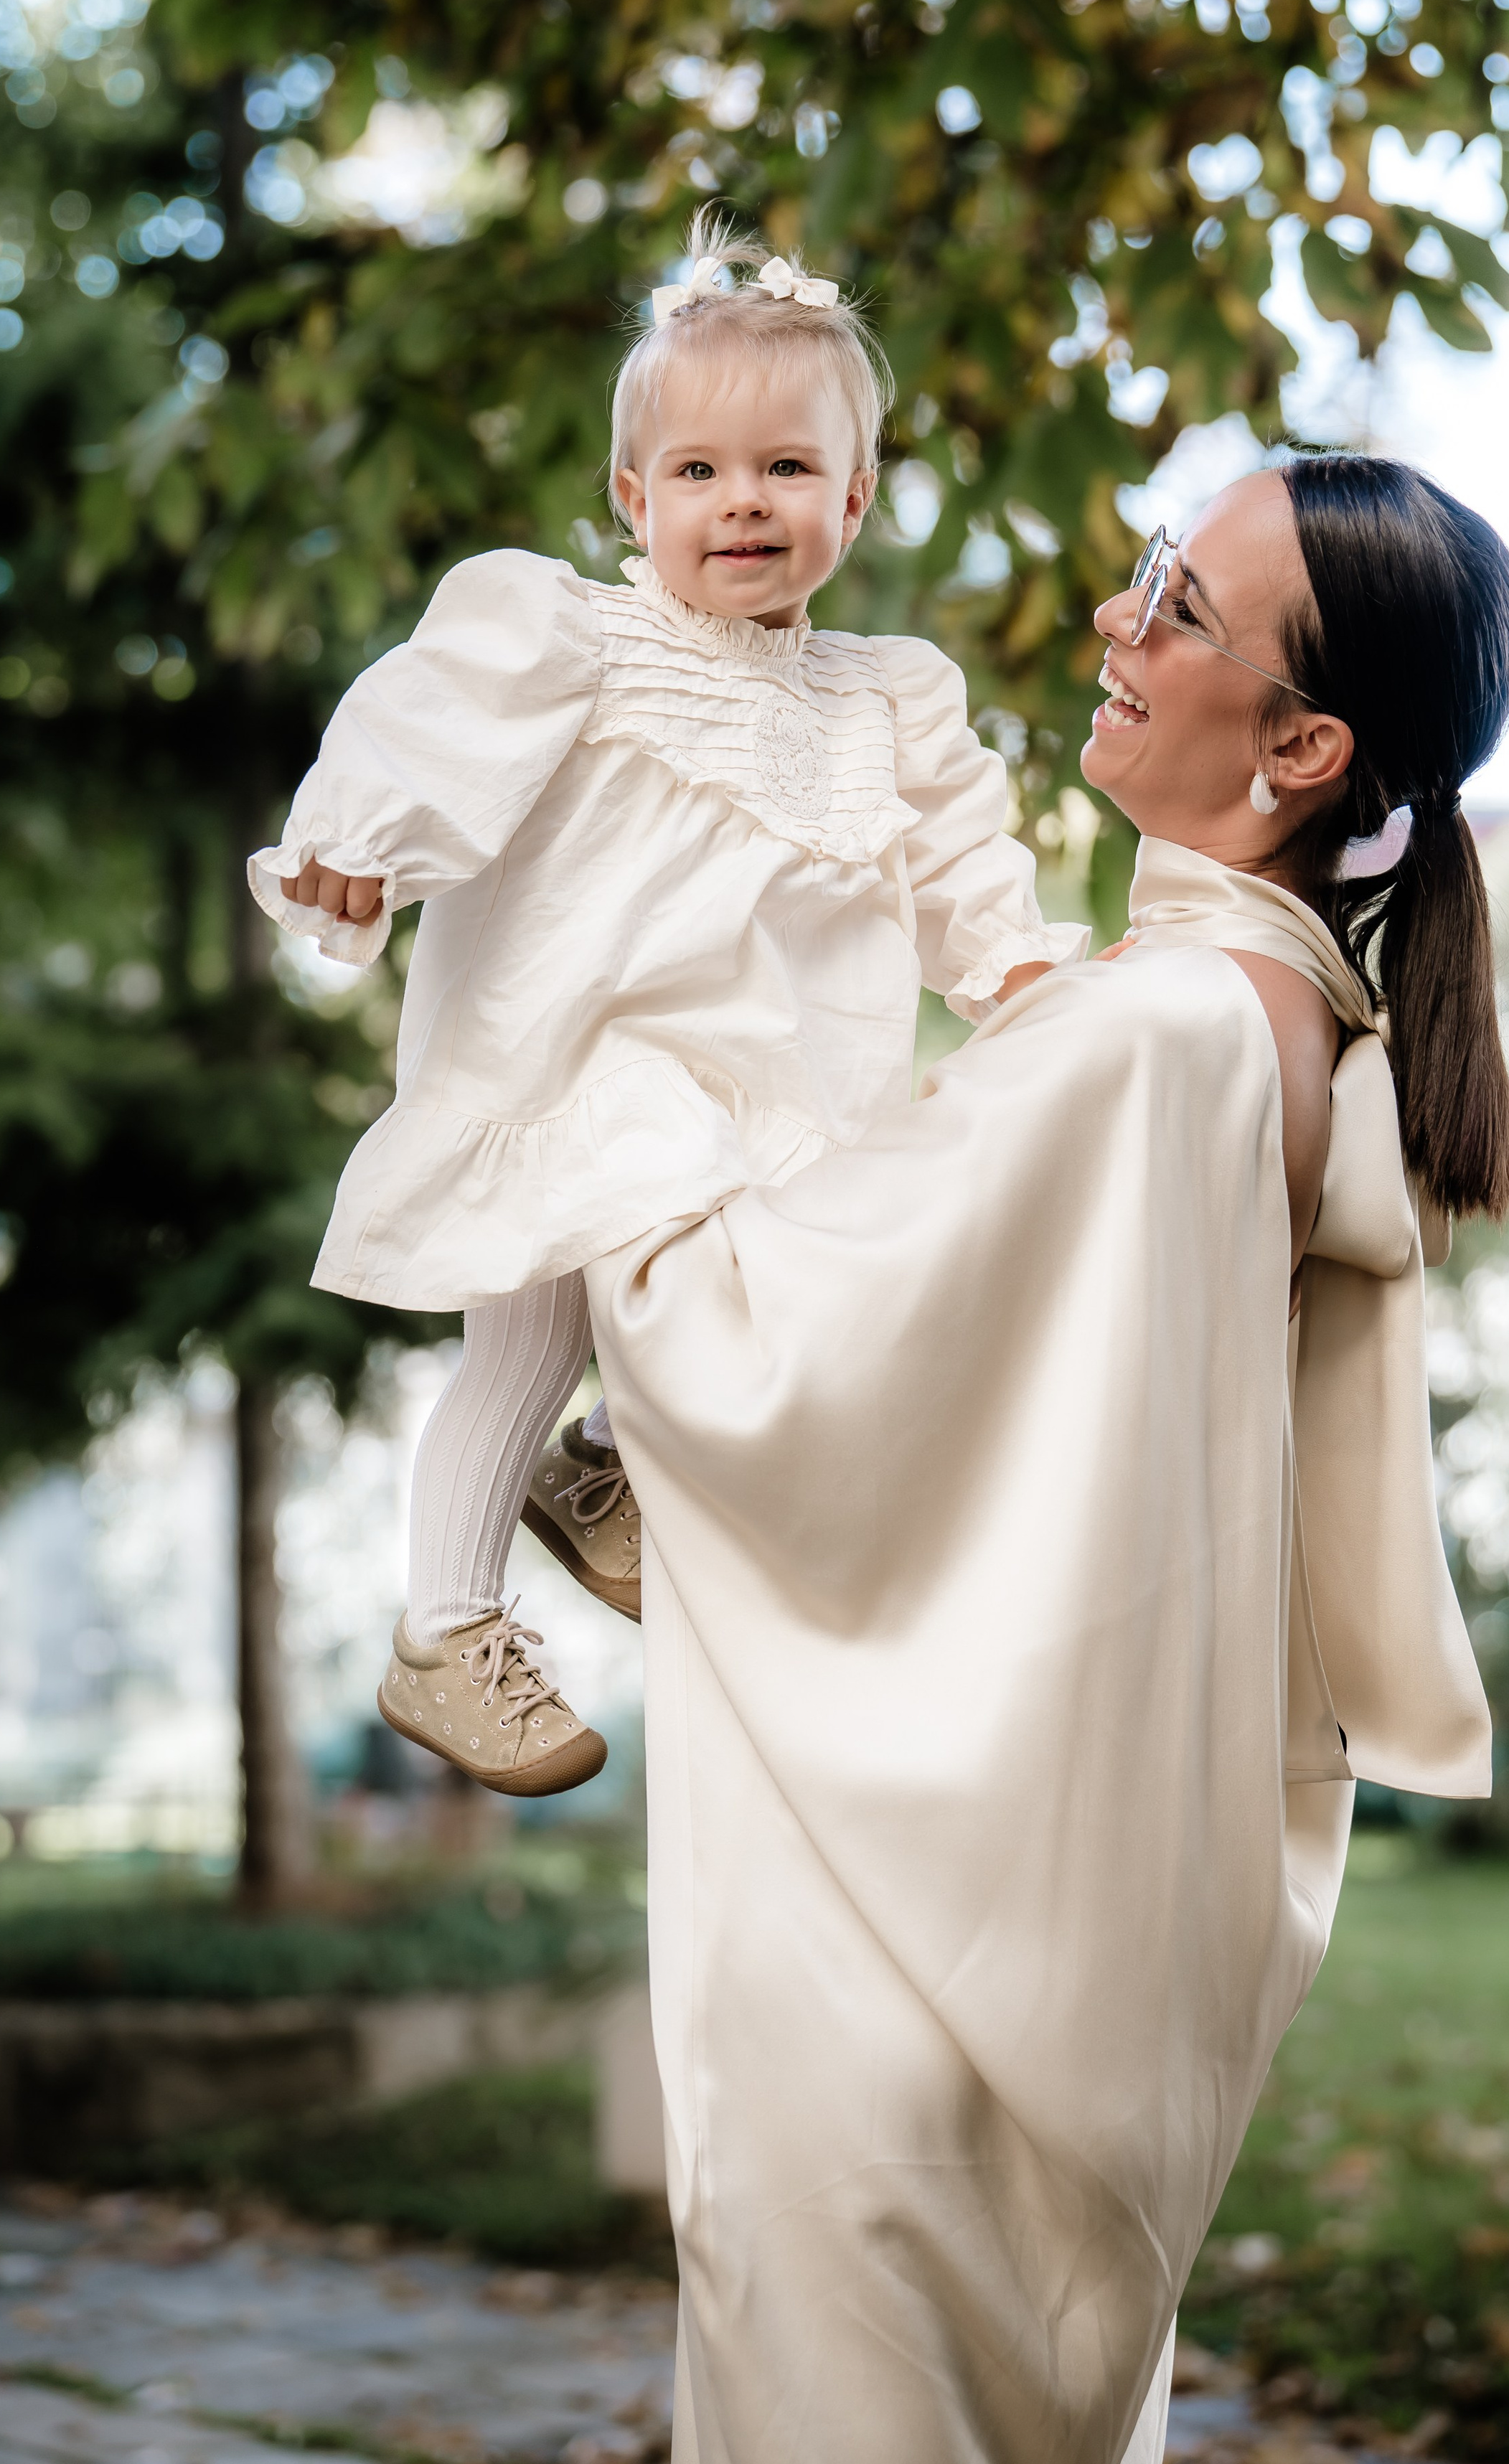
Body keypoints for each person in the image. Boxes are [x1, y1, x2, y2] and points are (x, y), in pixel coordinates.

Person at [579, 451, 1509, 2464]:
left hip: (915, 1991)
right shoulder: (1260, 1029)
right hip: (1044, 1963)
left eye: (1177, 603)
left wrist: (592, 1071)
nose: (1116, 621)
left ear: (1300, 742)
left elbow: (756, 1356)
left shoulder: (1161, 1040)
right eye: (1143, 574)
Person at [245, 218, 1084, 1797]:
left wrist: (1015, 973)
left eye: (782, 468)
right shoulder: (566, 635)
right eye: (695, 472)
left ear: (850, 498)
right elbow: (423, 734)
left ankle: (602, 1462)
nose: (741, 501)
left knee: (788, 1288)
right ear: (633, 500)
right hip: (571, 1058)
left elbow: (967, 854)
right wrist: (352, 852)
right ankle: (446, 1628)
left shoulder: (888, 694)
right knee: (529, 1331)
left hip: (789, 1091)